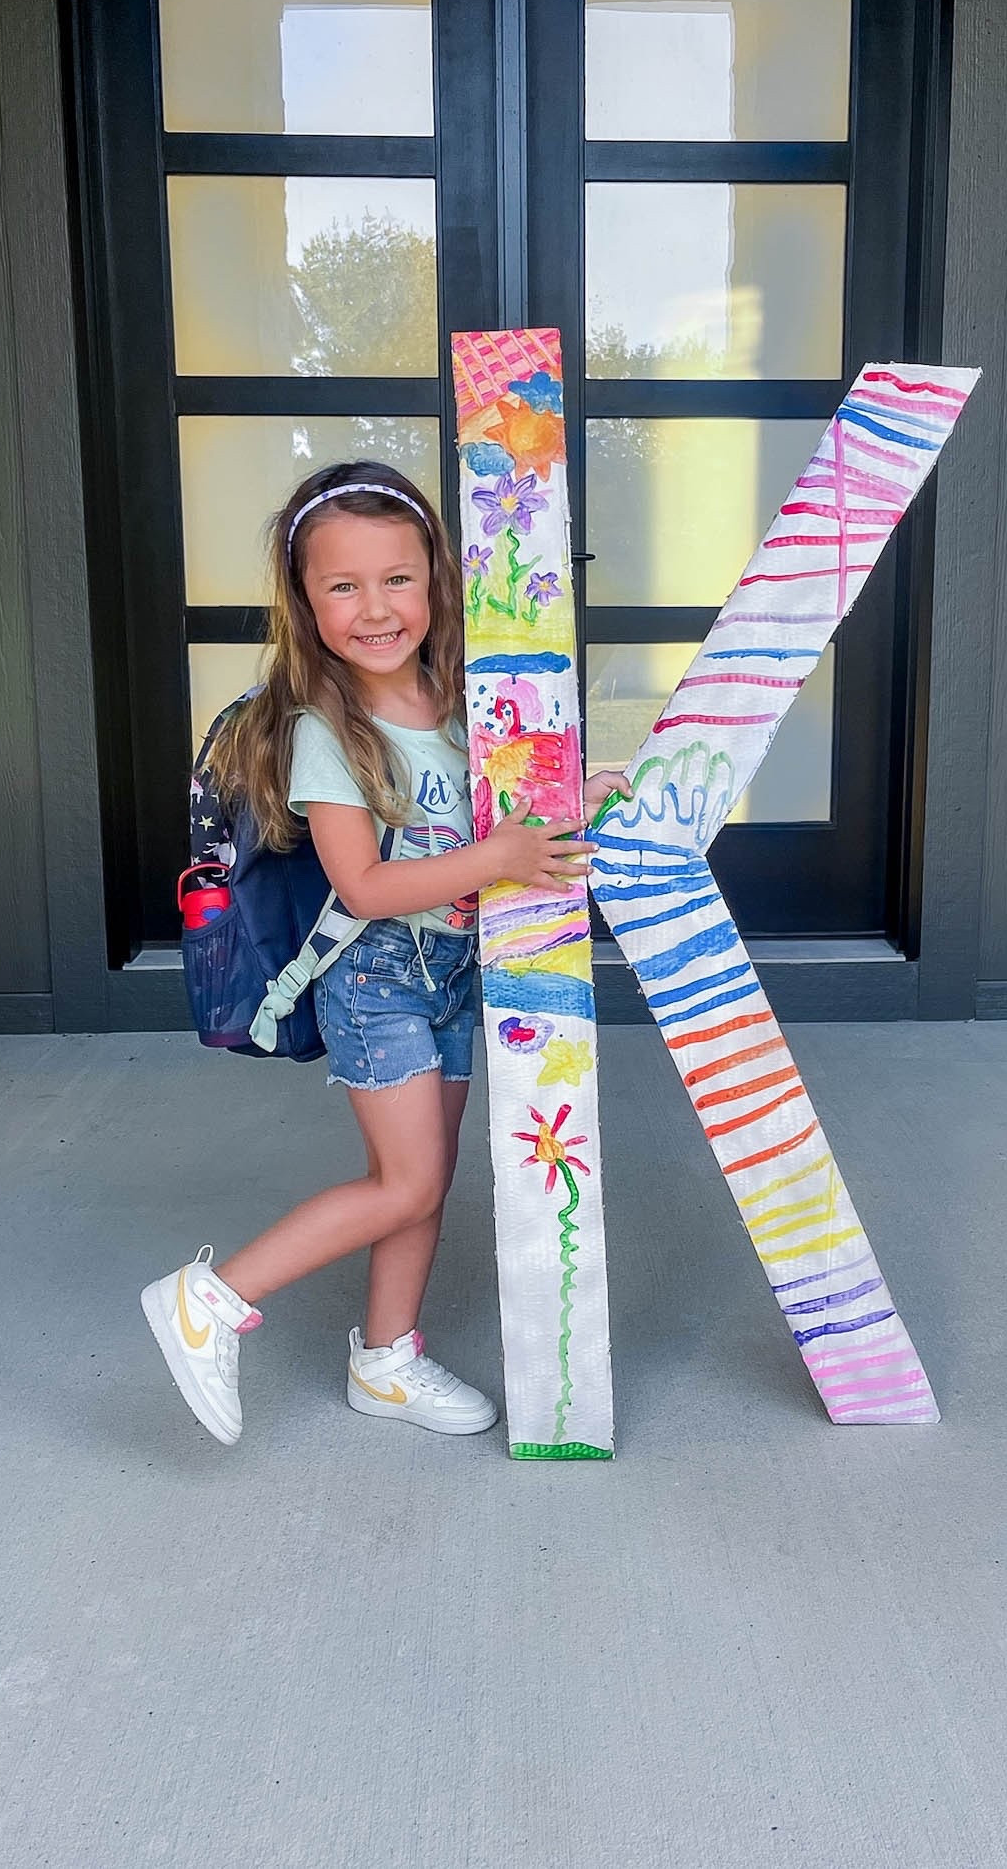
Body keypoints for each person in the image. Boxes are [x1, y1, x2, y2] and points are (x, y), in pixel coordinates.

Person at [141, 461, 626, 1447]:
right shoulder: (326, 732)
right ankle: (209, 1297)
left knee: (422, 1177)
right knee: (405, 1181)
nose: (374, 608)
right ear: (305, 600)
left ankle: (386, 1359)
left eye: (396, 578)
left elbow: (492, 819)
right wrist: (496, 859)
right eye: (343, 585)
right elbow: (362, 886)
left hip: (451, 972)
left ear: (435, 580)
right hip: (375, 979)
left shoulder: (458, 699)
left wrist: (566, 800)